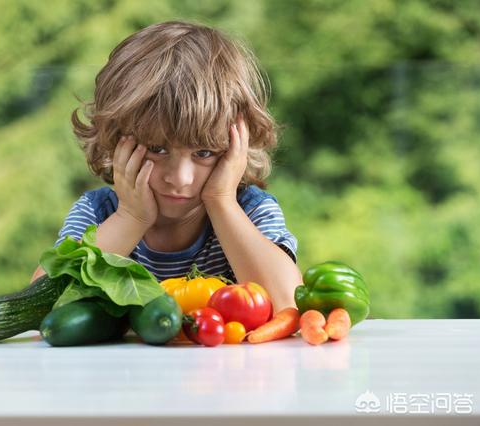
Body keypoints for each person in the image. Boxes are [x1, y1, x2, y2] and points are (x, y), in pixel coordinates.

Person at [30, 20, 301, 311]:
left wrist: (221, 202)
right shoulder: (98, 214)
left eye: (204, 152)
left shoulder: (250, 211)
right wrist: (131, 218)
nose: (180, 178)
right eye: (158, 149)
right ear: (116, 138)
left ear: (237, 145)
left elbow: (288, 304)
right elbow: (40, 309)